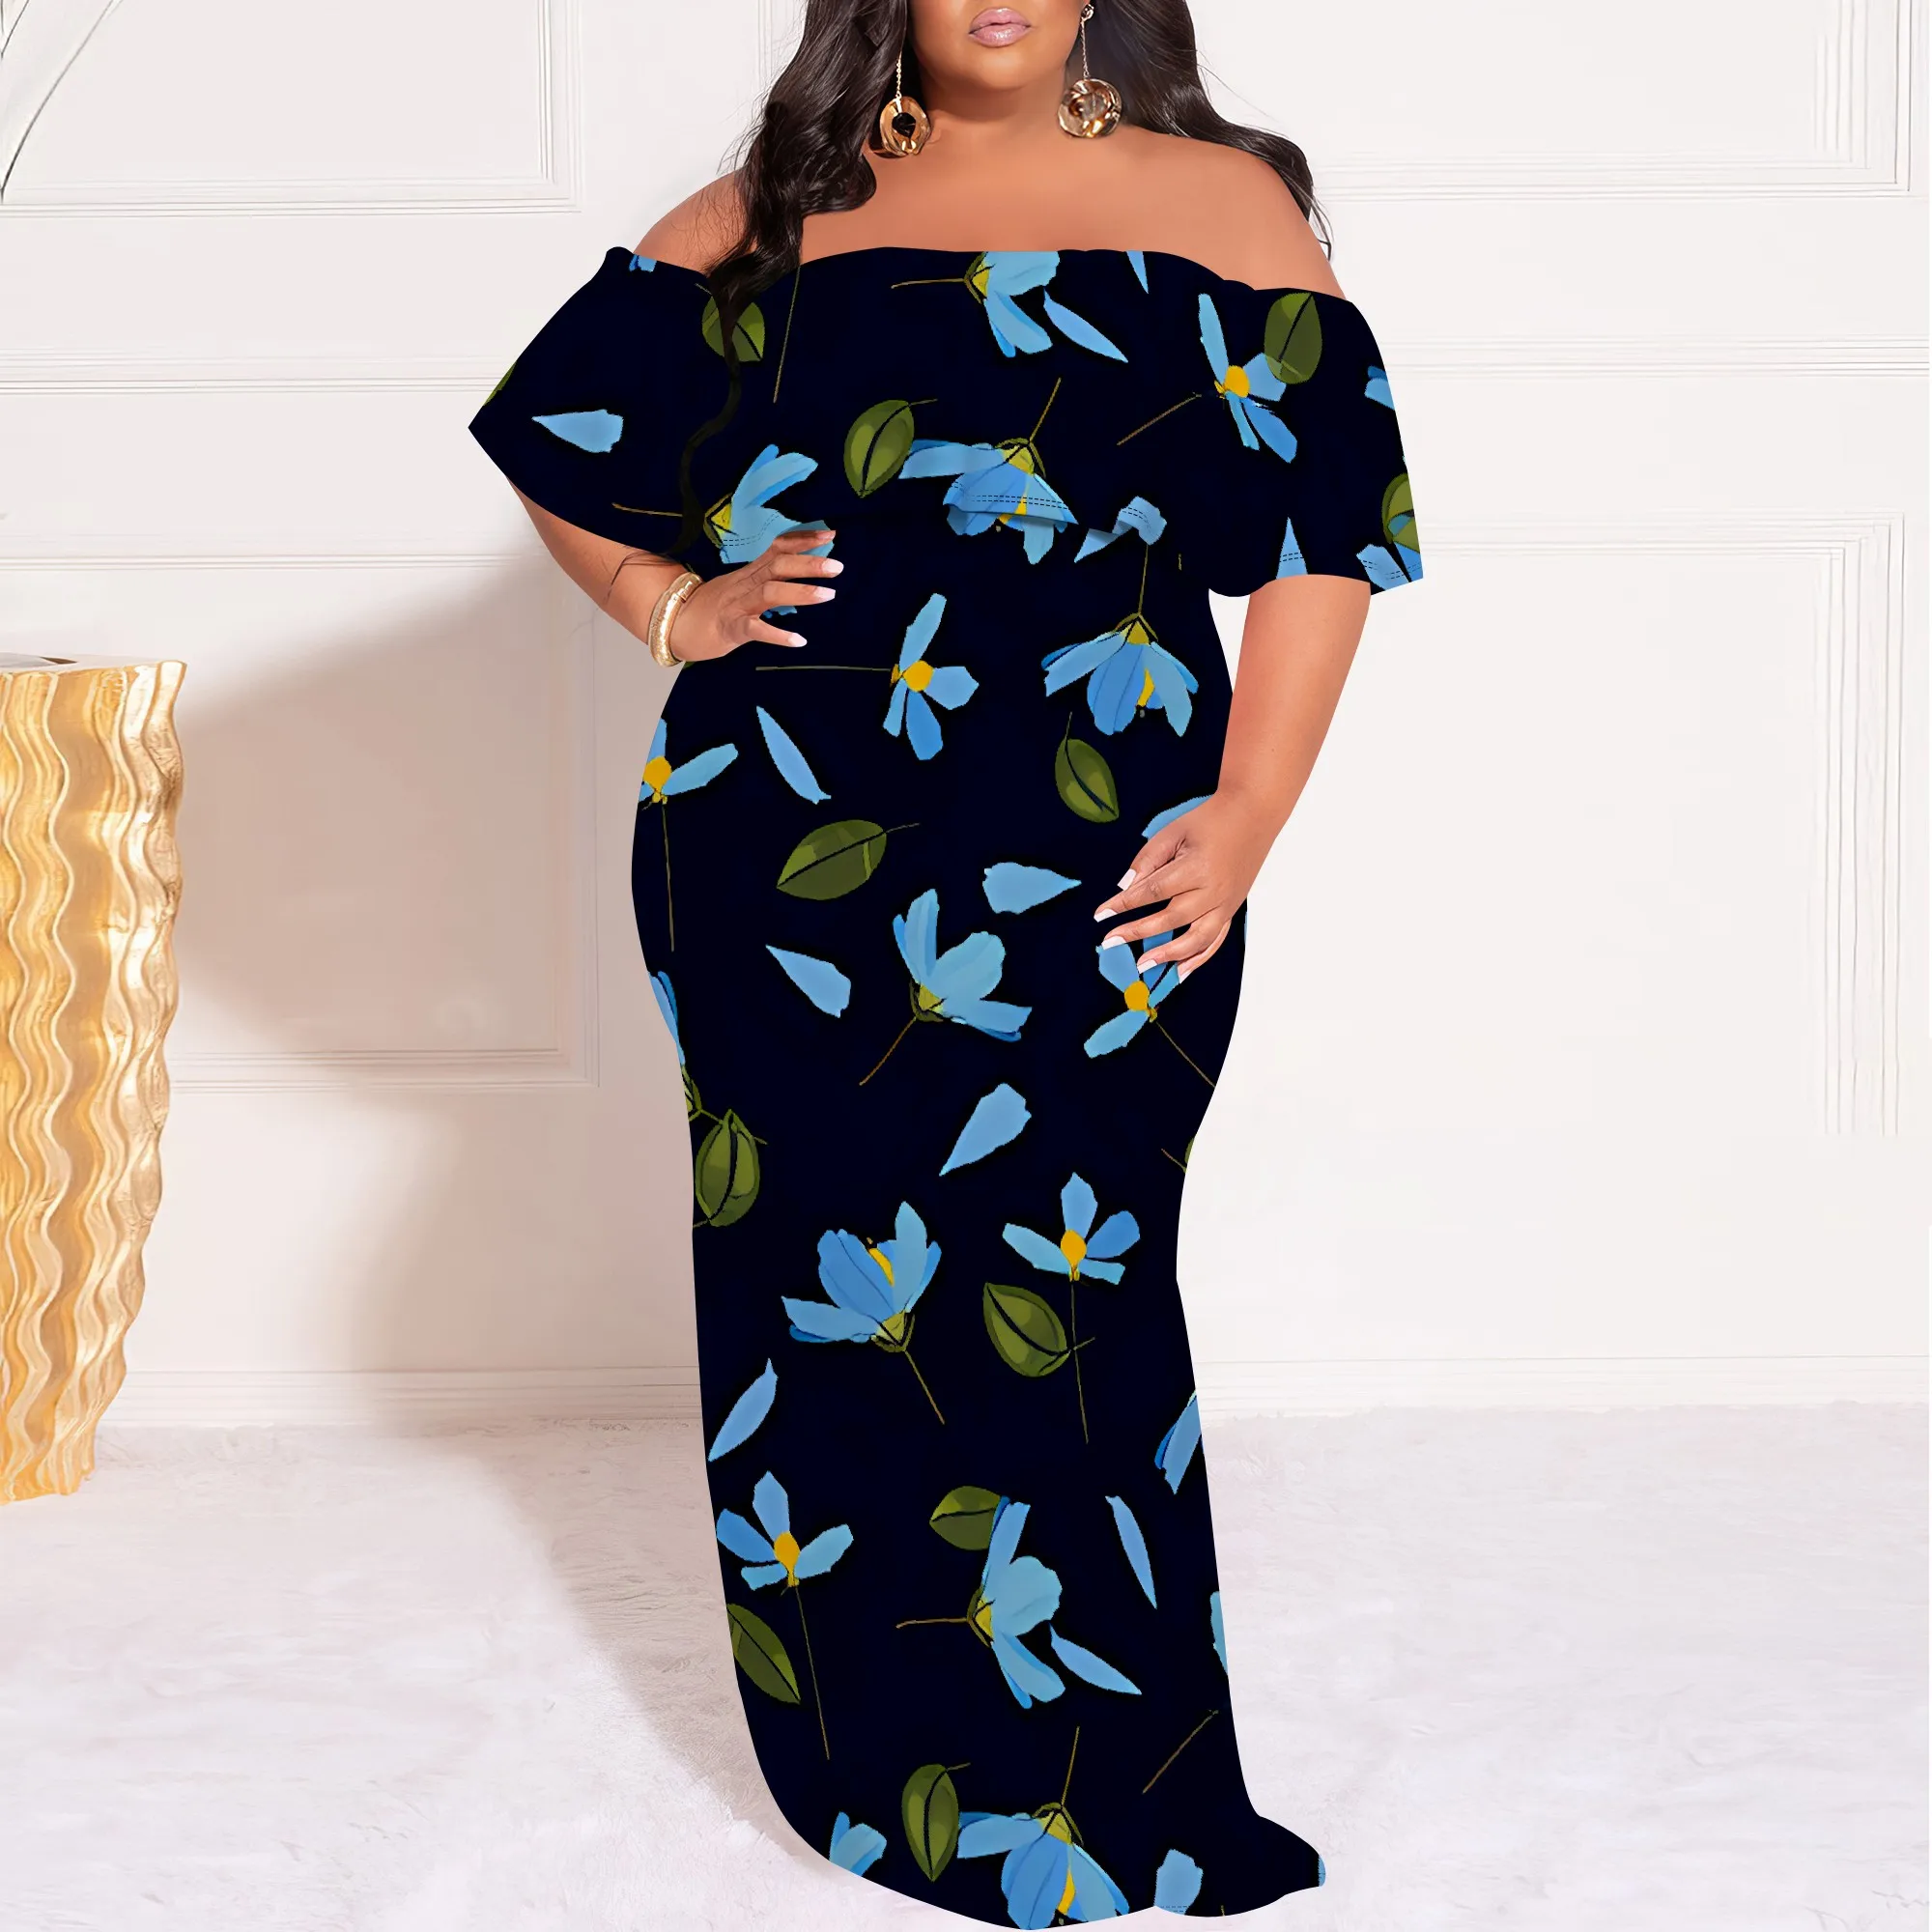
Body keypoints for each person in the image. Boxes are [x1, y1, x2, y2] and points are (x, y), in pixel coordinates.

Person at [469, 0, 1421, 1918]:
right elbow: (555, 425)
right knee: (825, 1301)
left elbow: (1329, 533)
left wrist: (1249, 810)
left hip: (1100, 833)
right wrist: (672, 605)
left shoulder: (1218, 201)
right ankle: (887, 1775)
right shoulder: (783, 203)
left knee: (1068, 1288)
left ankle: (1109, 1785)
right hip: (780, 847)